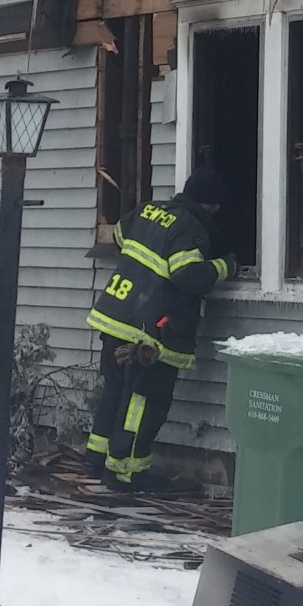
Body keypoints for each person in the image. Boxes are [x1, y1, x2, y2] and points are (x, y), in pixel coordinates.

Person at [85, 171, 234, 491]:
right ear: (213, 207)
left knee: (114, 391)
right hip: (150, 332)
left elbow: (121, 234)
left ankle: (96, 459)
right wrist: (226, 266)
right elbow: (189, 276)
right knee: (142, 401)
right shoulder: (191, 228)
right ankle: (127, 473)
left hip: (116, 316)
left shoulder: (147, 210)